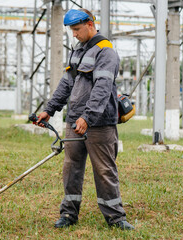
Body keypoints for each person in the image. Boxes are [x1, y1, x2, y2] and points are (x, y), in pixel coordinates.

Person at [35, 8, 134, 231]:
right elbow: (67, 83)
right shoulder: (79, 50)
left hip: (98, 124)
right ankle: (69, 214)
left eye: (77, 29)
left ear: (90, 24)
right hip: (74, 122)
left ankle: (116, 218)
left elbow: (102, 88)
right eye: (72, 30)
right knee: (71, 169)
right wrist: (49, 110)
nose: (75, 34)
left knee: (104, 170)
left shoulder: (105, 51)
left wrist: (87, 117)